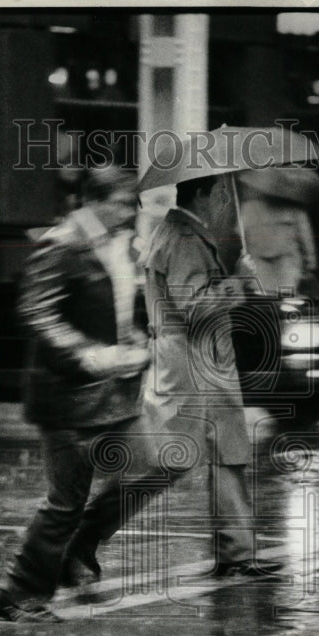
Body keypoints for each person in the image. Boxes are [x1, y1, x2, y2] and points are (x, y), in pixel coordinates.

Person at [65, 171, 282, 582]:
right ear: (206, 193)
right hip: (186, 365)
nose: (224, 199)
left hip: (205, 361)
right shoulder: (182, 237)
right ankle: (84, 534)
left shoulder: (191, 234)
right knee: (167, 462)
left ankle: (238, 553)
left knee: (228, 453)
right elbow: (195, 307)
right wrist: (237, 283)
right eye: (220, 191)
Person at [0, 166, 149, 622]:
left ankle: (79, 545)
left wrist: (137, 337)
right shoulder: (62, 243)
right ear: (94, 202)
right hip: (67, 396)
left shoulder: (120, 246)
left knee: (163, 462)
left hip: (115, 392)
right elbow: (36, 313)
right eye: (123, 203)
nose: (130, 212)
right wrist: (88, 354)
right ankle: (20, 595)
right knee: (65, 501)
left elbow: (123, 310)